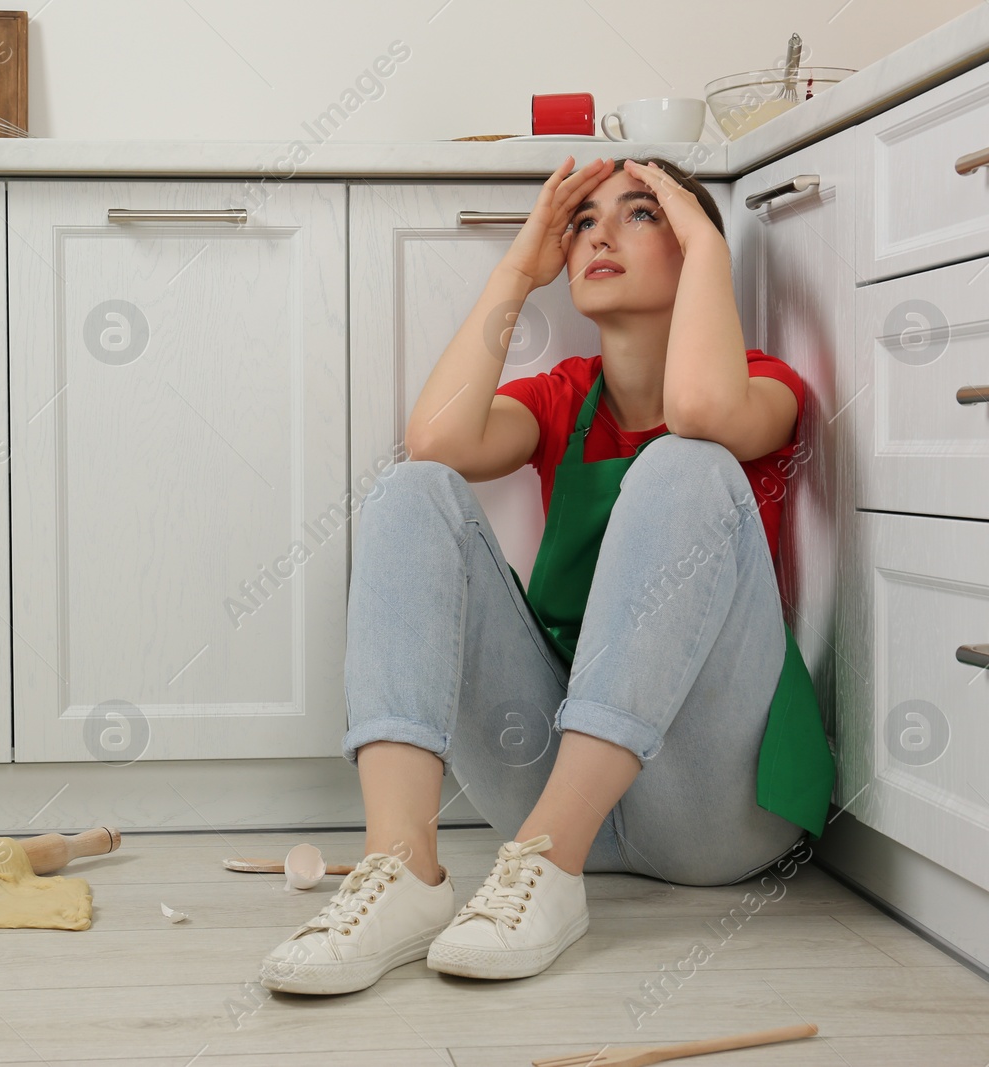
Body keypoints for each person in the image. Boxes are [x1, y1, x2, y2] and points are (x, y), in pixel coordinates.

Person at [260, 155, 834, 996]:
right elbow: (440, 440)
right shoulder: (566, 397)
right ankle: (403, 868)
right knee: (414, 486)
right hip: (551, 789)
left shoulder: (761, 388)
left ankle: (552, 863)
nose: (600, 232)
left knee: (683, 462)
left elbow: (701, 414)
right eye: (583, 221)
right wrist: (518, 270)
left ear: (692, 243)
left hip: (716, 809)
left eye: (642, 214)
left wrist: (712, 245)